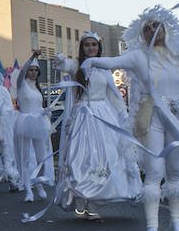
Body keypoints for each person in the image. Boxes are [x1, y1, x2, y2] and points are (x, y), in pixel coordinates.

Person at [81, 7, 179, 231]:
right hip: (153, 119)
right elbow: (114, 61)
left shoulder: (178, 55)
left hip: (177, 120)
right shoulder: (139, 56)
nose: (152, 30)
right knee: (154, 170)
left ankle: (177, 221)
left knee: (176, 170)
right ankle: (152, 225)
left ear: (166, 28)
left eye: (156, 25)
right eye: (147, 27)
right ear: (142, 33)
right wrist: (93, 62)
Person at [53, 33, 141, 220]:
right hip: (82, 117)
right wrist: (59, 58)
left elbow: (113, 94)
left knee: (102, 158)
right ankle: (80, 200)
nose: (90, 48)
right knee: (79, 157)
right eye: (86, 45)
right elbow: (62, 65)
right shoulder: (76, 66)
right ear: (82, 47)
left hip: (102, 117)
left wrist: (123, 117)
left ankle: (93, 202)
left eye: (94, 45)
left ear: (98, 47)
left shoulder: (103, 68)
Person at [13, 57, 55, 202]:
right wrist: (31, 58)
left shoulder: (38, 87)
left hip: (38, 123)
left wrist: (45, 111)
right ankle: (28, 191)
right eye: (31, 70)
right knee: (24, 159)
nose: (33, 72)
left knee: (41, 158)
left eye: (36, 70)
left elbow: (38, 106)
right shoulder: (21, 84)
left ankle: (38, 184)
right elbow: (22, 71)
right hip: (25, 122)